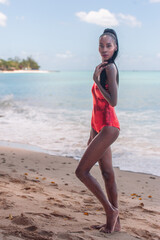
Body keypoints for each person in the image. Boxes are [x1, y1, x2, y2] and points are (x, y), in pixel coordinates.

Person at [75, 28, 120, 233]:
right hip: (99, 128)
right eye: (101, 45)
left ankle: (111, 212)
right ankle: (115, 224)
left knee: (81, 172)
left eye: (108, 45)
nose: (104, 49)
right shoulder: (101, 67)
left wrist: (95, 81)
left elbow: (113, 101)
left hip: (109, 127)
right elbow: (96, 106)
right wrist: (91, 134)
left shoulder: (110, 69)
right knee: (107, 173)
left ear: (115, 47)